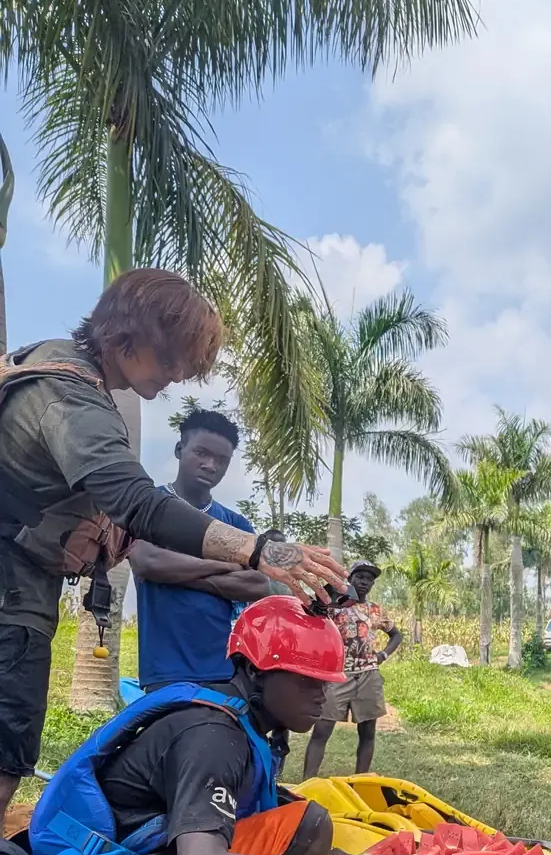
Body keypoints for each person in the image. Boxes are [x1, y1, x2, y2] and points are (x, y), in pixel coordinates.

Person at [0, 268, 343, 825]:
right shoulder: (69, 395)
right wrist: (261, 552)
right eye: (171, 358)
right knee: (5, 754)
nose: (179, 373)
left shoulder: (52, 366)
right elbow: (140, 505)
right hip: (10, 603)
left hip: (25, 594)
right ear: (125, 337)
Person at [28, 596, 425, 855]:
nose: (322, 696)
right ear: (256, 671)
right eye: (308, 681)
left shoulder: (242, 722)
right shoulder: (213, 738)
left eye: (325, 682)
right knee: (308, 824)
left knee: (301, 827)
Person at [130, 408, 271, 690]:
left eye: (222, 460)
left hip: (225, 671)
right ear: (180, 449)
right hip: (165, 671)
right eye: (201, 453)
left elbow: (257, 584)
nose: (211, 465)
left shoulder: (236, 522)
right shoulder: (150, 506)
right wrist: (227, 567)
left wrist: (176, 570)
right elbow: (147, 563)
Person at [302, 561, 403, 780]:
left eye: (369, 579)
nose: (364, 582)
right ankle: (307, 783)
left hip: (368, 675)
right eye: (360, 577)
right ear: (350, 579)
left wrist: (382, 655)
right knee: (321, 730)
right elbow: (311, 618)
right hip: (338, 674)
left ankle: (361, 782)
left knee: (367, 733)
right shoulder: (335, 607)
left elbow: (397, 634)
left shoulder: (375, 610)